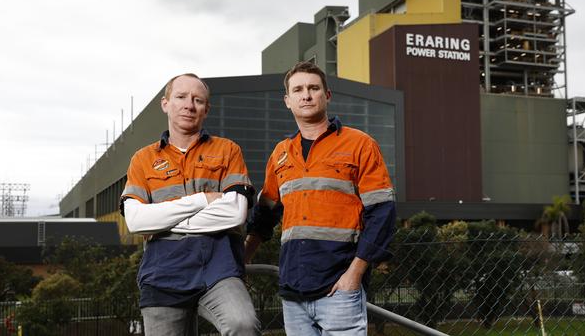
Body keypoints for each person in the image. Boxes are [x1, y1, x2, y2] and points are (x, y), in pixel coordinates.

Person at [245, 62, 396, 335]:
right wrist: (242, 260)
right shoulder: (281, 153)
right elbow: (264, 215)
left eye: (314, 88)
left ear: (327, 95)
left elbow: (382, 213)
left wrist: (355, 274)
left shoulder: (359, 144)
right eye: (298, 90)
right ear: (287, 101)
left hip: (339, 287)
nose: (306, 95)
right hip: (293, 291)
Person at [120, 73, 261, 336]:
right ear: (165, 104)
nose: (189, 105)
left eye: (198, 100)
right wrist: (202, 200)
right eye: (181, 97)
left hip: (219, 268)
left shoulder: (227, 150)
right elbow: (136, 221)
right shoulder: (143, 159)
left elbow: (234, 213)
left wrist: (164, 220)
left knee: (243, 324)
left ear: (206, 109)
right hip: (162, 275)